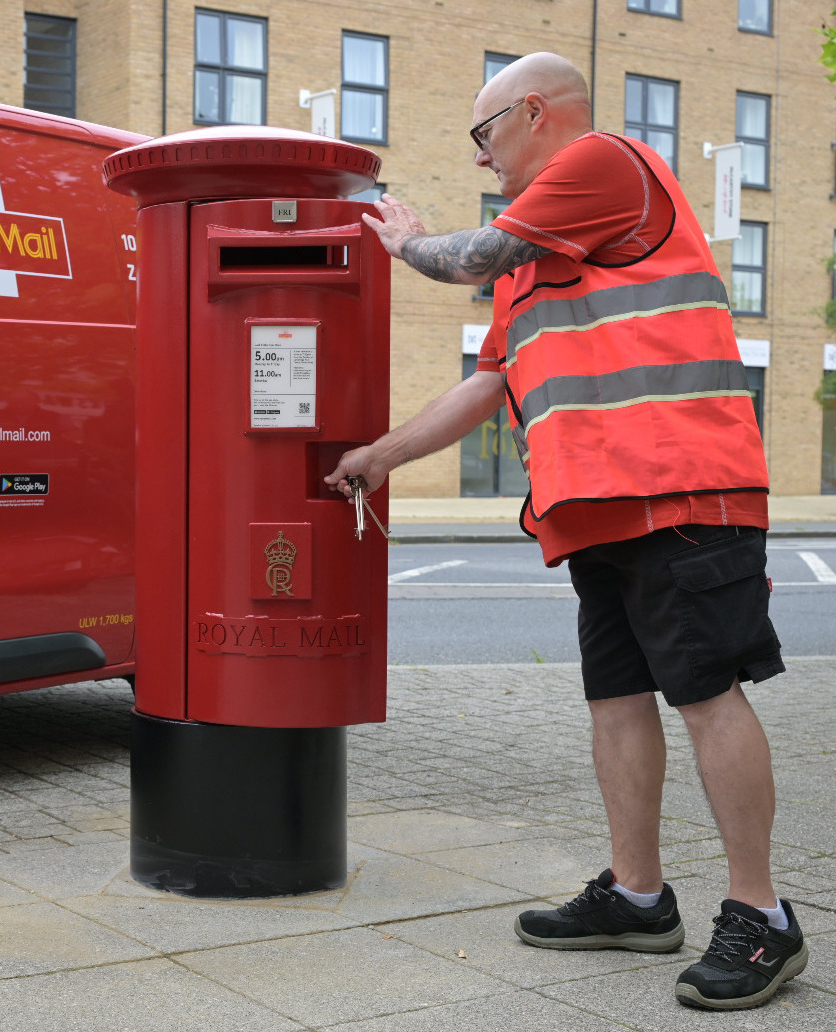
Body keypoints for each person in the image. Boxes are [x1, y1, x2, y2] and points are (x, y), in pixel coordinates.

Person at [326, 52, 806, 1011]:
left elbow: (460, 257)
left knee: (706, 696)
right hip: (592, 509)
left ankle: (764, 919)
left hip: (682, 491)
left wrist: (403, 238)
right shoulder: (536, 255)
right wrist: (382, 455)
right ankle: (638, 897)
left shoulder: (601, 164)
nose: (481, 159)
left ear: (533, 113)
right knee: (618, 702)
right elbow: (487, 381)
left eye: (483, 135)